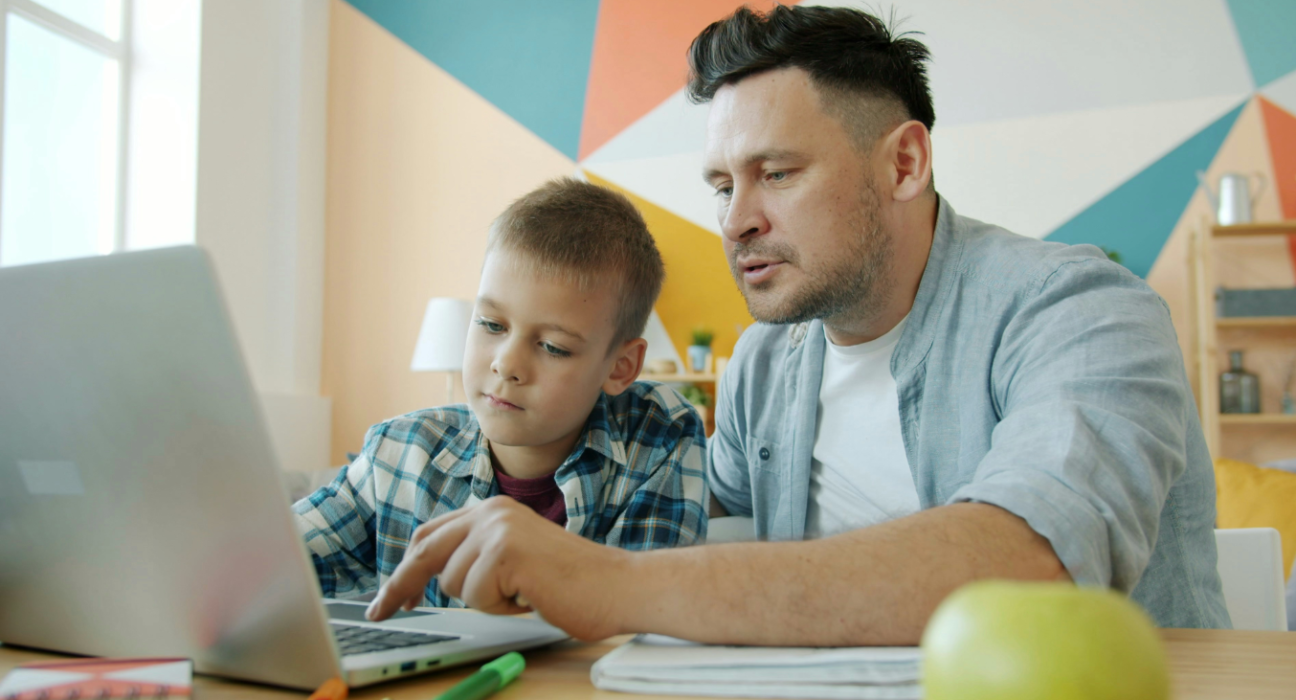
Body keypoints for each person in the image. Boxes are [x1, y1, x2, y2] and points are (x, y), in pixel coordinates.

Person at [365, 5, 1230, 641]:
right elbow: (697, 530)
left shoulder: (1083, 312)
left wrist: (615, 582)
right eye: (719, 185)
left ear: (903, 162)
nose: (734, 221)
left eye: (775, 173)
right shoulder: (763, 364)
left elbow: (1031, 562)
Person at [293, 178, 709, 607]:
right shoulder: (398, 454)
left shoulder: (658, 437)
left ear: (621, 367)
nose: (506, 364)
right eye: (491, 325)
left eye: (553, 347)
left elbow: (651, 611)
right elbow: (272, 565)